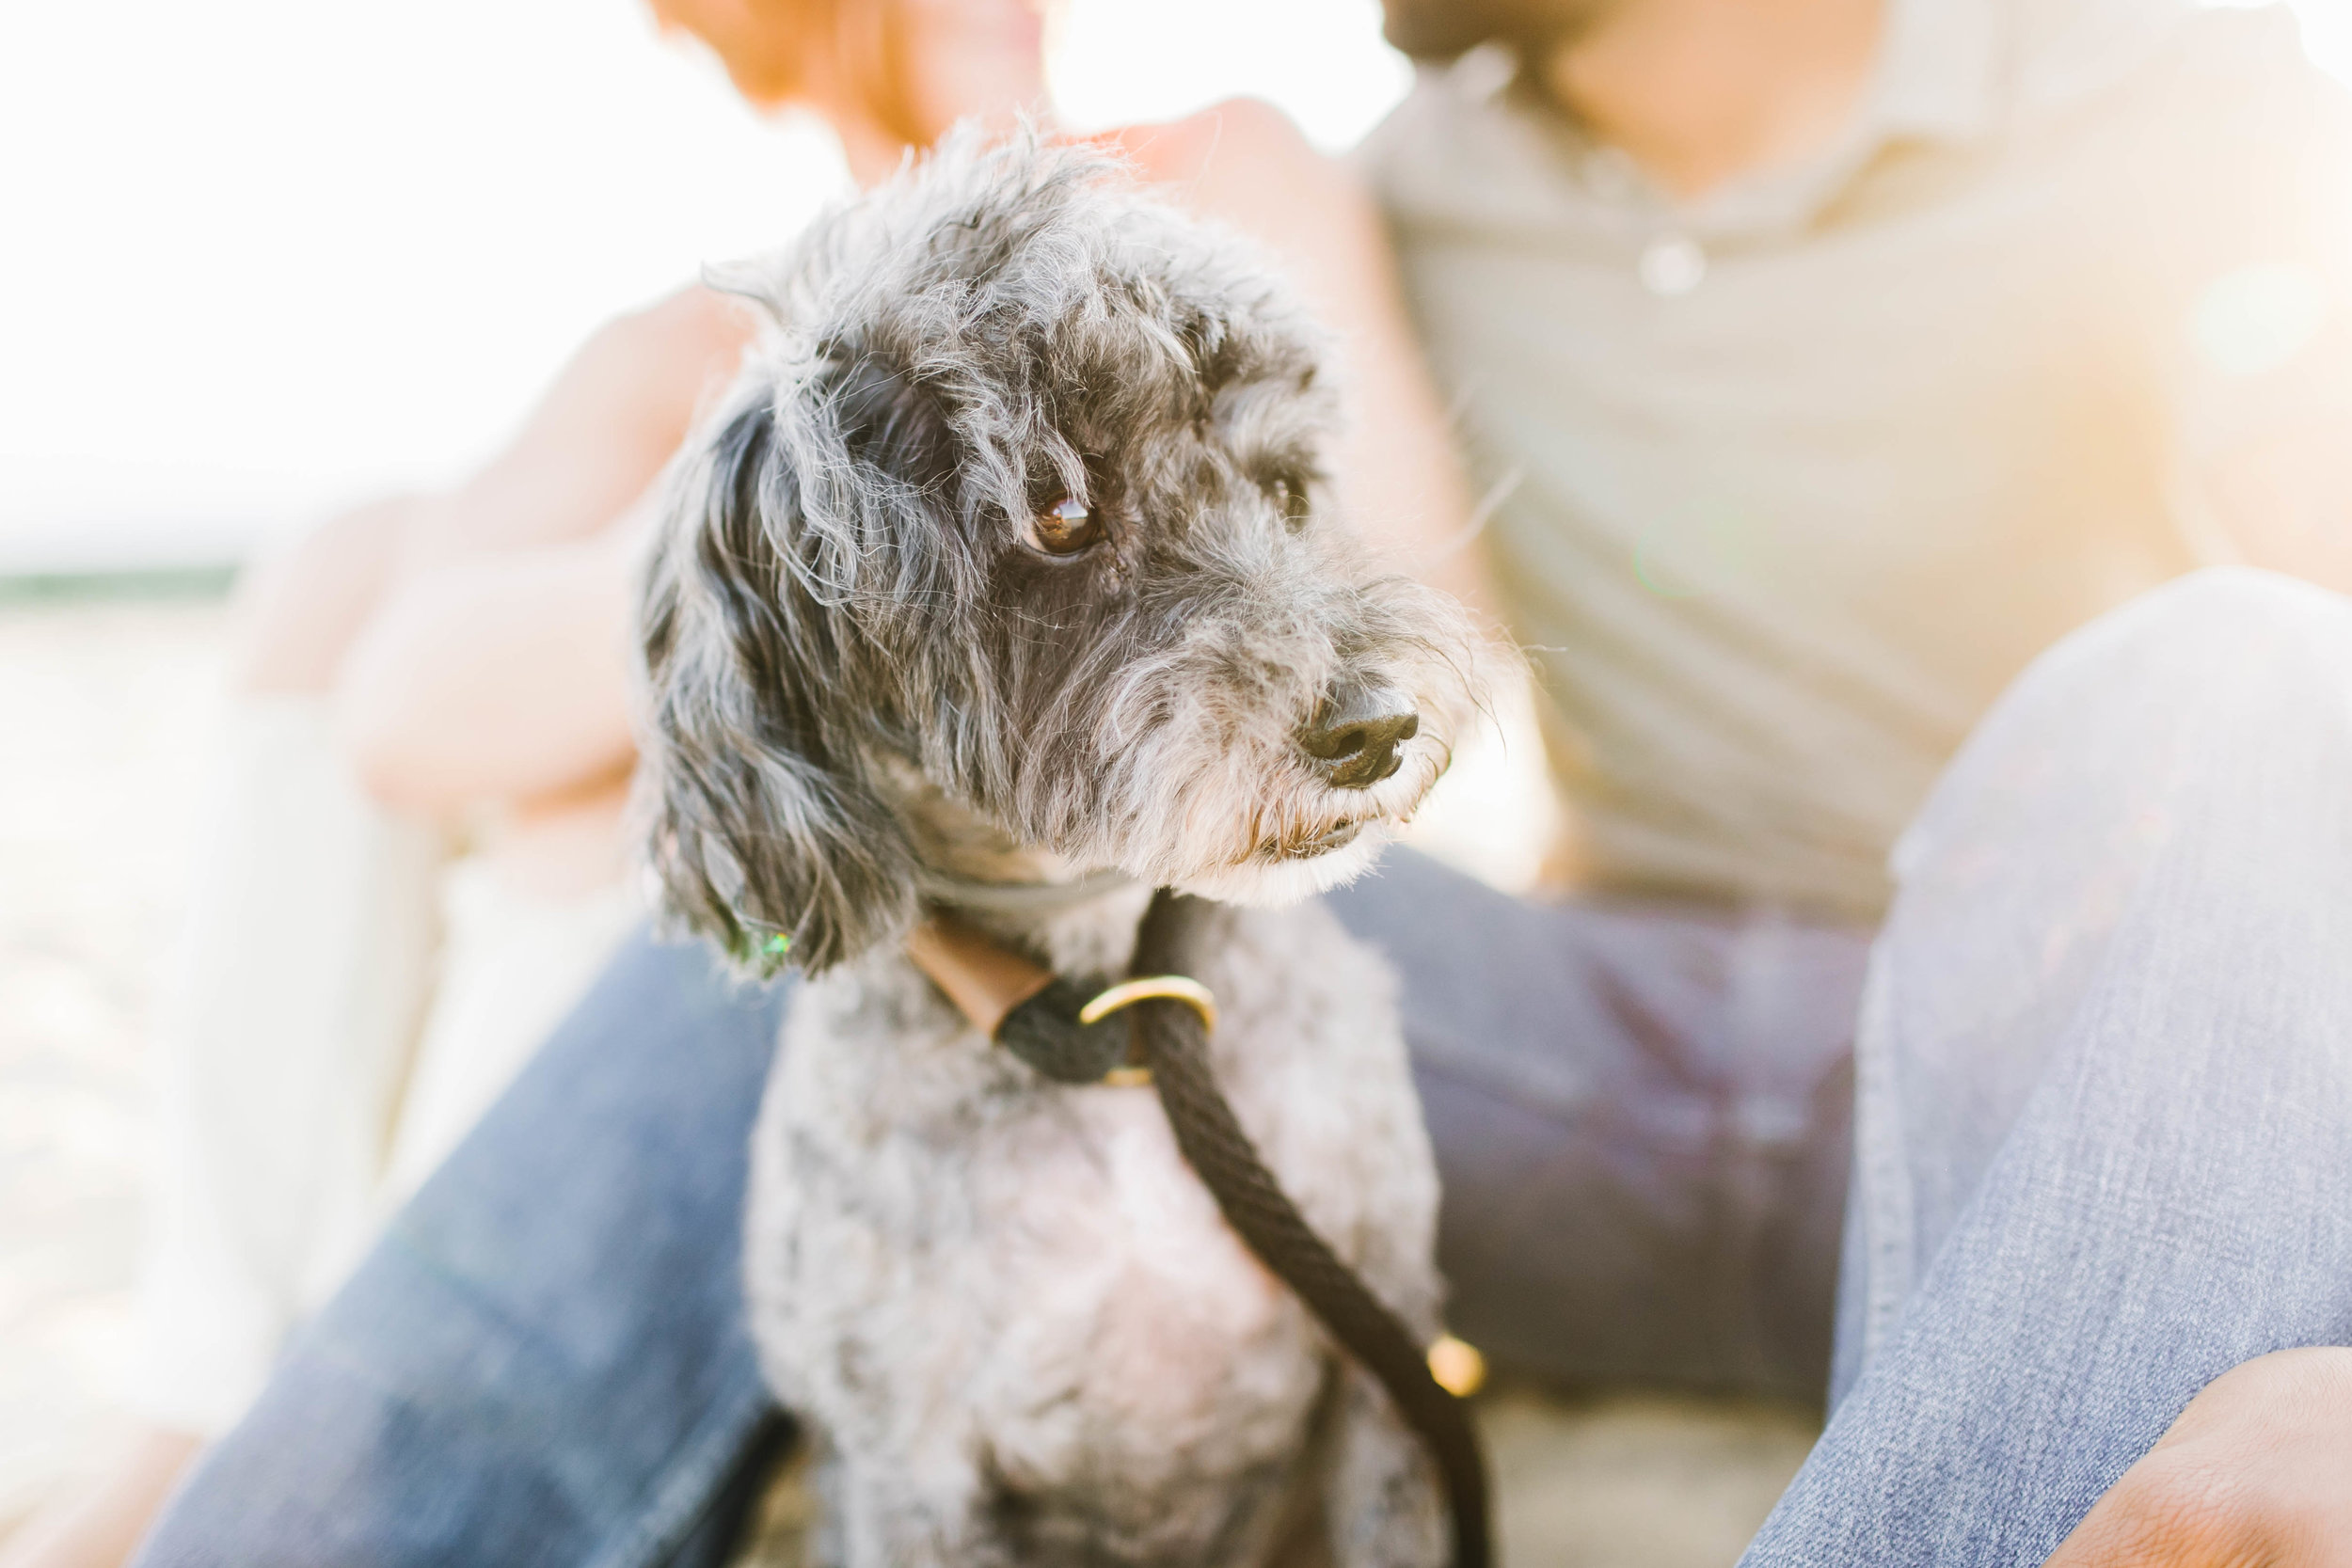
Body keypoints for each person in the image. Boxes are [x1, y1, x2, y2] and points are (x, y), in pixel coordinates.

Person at [108, 0, 2352, 1564]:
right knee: (872, 904)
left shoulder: (2169, 93)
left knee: (2237, 670)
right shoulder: (1366, 191)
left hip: (2071, 1017)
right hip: (1594, 1036)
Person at [0, 7, 1480, 1568]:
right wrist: (790, 534)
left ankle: (293, 1431)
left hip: (1217, 896)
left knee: (575, 827)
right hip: (943, 896)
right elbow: (394, 719)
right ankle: (219, 1397)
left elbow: (1409, 610)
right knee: (341, 580)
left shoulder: (1227, 171)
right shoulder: (724, 354)